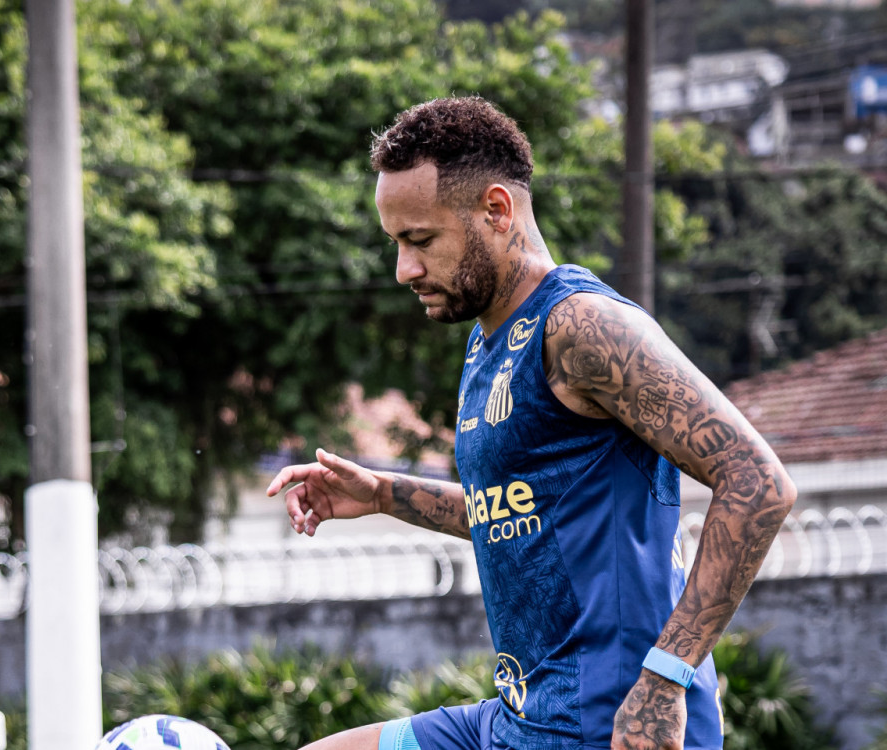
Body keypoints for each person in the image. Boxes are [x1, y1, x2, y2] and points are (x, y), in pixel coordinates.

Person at [265, 97, 796, 750]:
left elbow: (758, 482)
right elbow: (523, 514)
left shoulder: (582, 326)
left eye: (420, 240)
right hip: (520, 714)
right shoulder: (487, 340)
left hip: (609, 722)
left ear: (497, 209)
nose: (404, 269)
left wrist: (665, 680)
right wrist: (384, 494)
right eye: (396, 243)